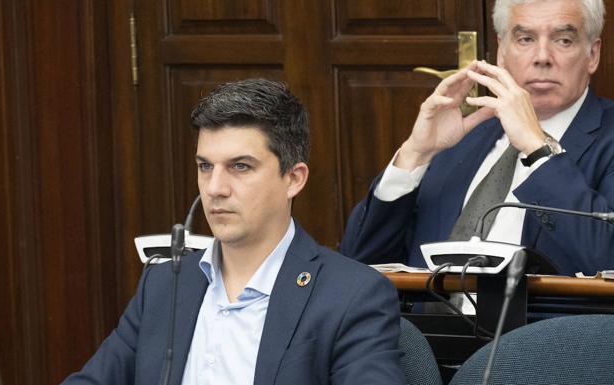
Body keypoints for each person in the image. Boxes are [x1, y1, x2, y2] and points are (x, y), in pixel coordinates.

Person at [62, 79, 404, 384]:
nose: (215, 188)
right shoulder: (165, 285)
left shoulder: (351, 295)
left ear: (294, 179)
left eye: (240, 167)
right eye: (205, 166)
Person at [341, 0, 614, 276]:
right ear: (502, 53)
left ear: (592, 54)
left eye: (564, 40)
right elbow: (359, 263)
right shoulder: (461, 141)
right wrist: (415, 154)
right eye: (525, 39)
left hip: (546, 320)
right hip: (426, 318)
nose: (542, 56)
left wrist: (537, 148)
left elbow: (605, 259)